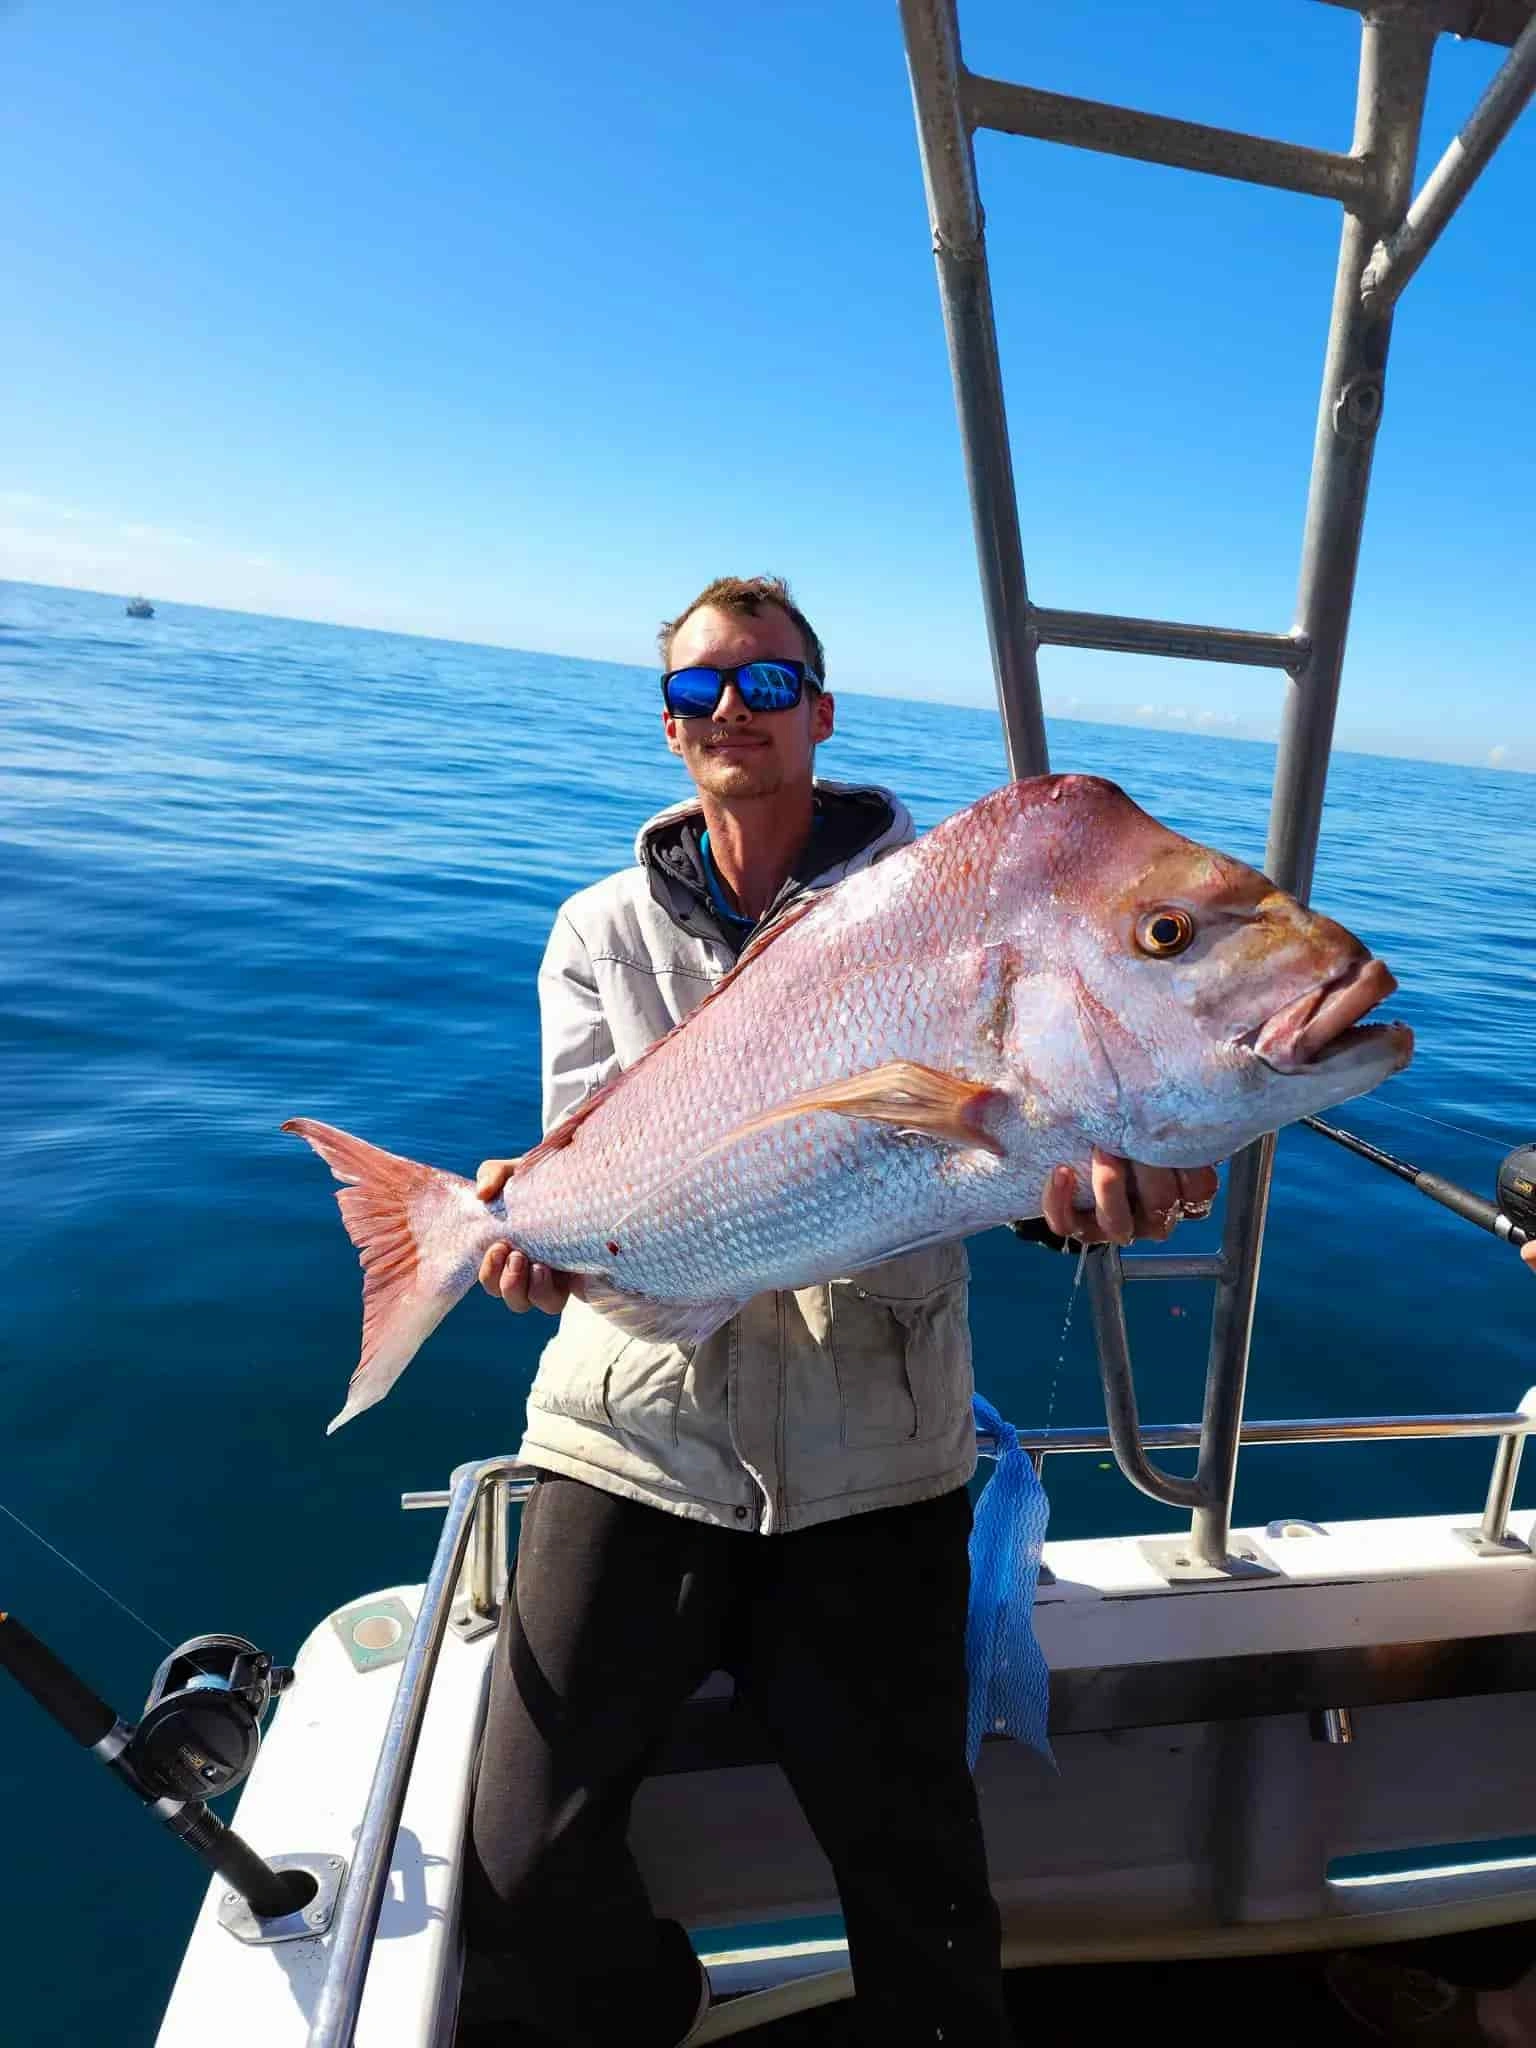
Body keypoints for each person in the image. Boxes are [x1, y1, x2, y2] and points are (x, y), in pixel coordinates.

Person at [458, 575, 1219, 2048]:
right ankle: (660, 2003)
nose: (730, 711)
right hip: (634, 1444)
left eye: (765, 683)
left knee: (921, 1880)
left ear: (820, 710)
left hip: (880, 1457)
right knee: (519, 1870)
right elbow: (584, 1161)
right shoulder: (598, 927)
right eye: (697, 689)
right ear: (670, 725)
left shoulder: (948, 907)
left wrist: (1082, 1198)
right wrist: (528, 1235)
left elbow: (1004, 1148)